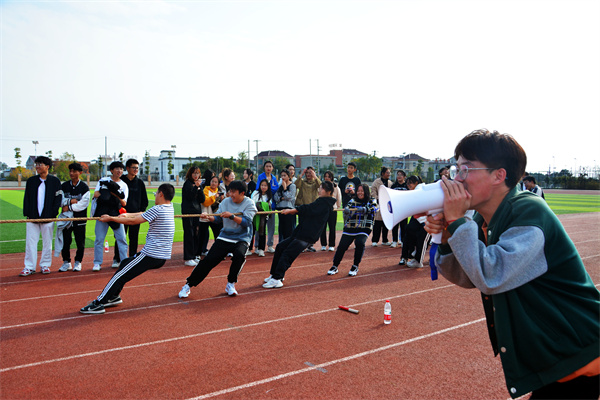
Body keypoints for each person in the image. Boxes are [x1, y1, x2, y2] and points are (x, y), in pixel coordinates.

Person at [424, 129, 599, 400]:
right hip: (555, 357)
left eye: (466, 169)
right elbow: (469, 276)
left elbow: (491, 275)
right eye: (456, 169)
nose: (457, 178)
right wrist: (448, 237)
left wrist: (458, 223)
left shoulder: (529, 211)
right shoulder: (483, 220)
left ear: (499, 175)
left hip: (581, 355)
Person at [80, 184, 176, 314]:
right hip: (160, 256)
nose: (155, 196)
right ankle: (114, 296)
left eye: (156, 193)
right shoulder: (169, 207)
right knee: (124, 263)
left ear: (161, 194)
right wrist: (126, 215)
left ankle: (99, 303)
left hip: (151, 254)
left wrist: (111, 218)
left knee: (119, 275)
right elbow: (142, 214)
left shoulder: (158, 209)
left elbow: (133, 222)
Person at [178, 180, 257, 298]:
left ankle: (231, 283)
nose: (231, 194)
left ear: (242, 193)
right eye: (230, 191)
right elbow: (218, 219)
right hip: (225, 237)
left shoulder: (249, 203)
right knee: (208, 261)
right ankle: (188, 285)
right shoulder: (225, 202)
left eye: (233, 192)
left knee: (239, 255)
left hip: (242, 238)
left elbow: (246, 222)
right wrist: (209, 217)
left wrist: (232, 216)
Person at [263, 181, 336, 289]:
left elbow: (308, 208)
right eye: (320, 188)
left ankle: (277, 279)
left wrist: (292, 211)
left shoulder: (325, 203)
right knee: (280, 247)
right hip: (301, 232)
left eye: (322, 188)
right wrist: (293, 211)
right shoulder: (322, 201)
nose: (319, 190)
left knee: (287, 254)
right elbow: (308, 209)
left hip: (307, 236)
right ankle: (274, 274)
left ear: (329, 192)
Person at [20, 156, 62, 276]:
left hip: (48, 218)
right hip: (32, 217)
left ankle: (45, 265)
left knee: (47, 243)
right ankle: (29, 266)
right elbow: (27, 198)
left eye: (40, 164)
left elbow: (58, 198)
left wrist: (53, 214)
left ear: (47, 166)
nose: (37, 167)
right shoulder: (31, 181)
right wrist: (28, 214)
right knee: (30, 243)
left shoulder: (55, 181)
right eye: (36, 164)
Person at [328, 183, 378, 277]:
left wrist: (365, 209)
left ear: (366, 192)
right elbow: (347, 209)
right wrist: (347, 212)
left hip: (364, 226)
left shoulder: (371, 200)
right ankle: (335, 266)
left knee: (360, 243)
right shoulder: (353, 200)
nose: (359, 193)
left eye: (362, 191)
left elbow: (375, 209)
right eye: (358, 191)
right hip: (351, 226)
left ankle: (355, 266)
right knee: (342, 246)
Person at [92, 161, 129, 271]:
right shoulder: (103, 180)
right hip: (102, 213)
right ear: (111, 170)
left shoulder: (123, 185)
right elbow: (96, 194)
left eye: (121, 169)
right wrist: (106, 192)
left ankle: (124, 262)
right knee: (99, 239)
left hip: (116, 215)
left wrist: (114, 193)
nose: (119, 171)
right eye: (117, 168)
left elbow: (124, 203)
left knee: (121, 239)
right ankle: (97, 263)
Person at [113, 159, 148, 266]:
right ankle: (117, 259)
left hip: (135, 215)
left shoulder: (140, 183)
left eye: (137, 168)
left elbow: (144, 199)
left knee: (134, 237)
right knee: (120, 237)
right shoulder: (121, 181)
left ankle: (132, 257)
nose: (136, 170)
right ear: (127, 168)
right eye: (134, 167)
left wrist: (141, 211)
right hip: (122, 214)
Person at [58, 162, 90, 272]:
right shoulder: (64, 186)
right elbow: (60, 201)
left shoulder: (84, 187)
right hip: (66, 219)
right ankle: (66, 262)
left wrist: (69, 207)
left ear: (80, 173)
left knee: (80, 242)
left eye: (74, 171)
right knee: (65, 242)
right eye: (70, 171)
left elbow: (83, 204)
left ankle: (78, 262)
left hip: (80, 219)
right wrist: (70, 201)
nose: (71, 173)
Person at [399, 175, 428, 268]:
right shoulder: (416, 190)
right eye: (407, 183)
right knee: (409, 230)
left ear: (416, 183)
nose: (408, 185)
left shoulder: (420, 189)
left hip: (425, 219)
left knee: (422, 239)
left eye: (410, 183)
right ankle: (407, 255)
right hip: (418, 217)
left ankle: (418, 260)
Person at [181, 166, 206, 266]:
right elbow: (190, 197)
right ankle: (188, 257)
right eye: (194, 173)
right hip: (188, 212)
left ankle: (194, 255)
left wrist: (199, 188)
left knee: (196, 234)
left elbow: (202, 199)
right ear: (190, 174)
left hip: (196, 212)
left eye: (198, 173)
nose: (196, 175)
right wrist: (196, 187)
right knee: (189, 234)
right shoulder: (187, 184)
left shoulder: (198, 184)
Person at [294, 166, 322, 252]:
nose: (308, 174)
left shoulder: (315, 182)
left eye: (310, 172)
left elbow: (320, 186)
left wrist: (315, 176)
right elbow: (295, 185)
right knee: (302, 227)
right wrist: (301, 175)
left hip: (313, 207)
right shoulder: (302, 182)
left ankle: (310, 245)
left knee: (312, 228)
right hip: (303, 207)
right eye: (307, 173)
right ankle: (301, 245)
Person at [256, 161, 279, 253]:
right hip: (261, 206)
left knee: (271, 227)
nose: (268, 168)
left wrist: (267, 188)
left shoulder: (274, 178)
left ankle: (270, 245)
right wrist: (269, 188)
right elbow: (258, 188)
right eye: (267, 166)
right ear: (264, 167)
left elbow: (276, 189)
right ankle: (257, 246)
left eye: (270, 166)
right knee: (259, 226)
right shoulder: (260, 176)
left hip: (271, 206)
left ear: (272, 168)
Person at [199, 175, 223, 257]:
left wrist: (221, 198)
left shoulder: (219, 192)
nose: (213, 183)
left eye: (216, 182)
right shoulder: (206, 190)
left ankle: (218, 250)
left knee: (218, 233)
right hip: (206, 215)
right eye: (212, 181)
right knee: (204, 234)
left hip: (215, 216)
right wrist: (214, 197)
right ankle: (203, 250)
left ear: (218, 184)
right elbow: (205, 202)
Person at [320, 170, 341, 251]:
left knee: (332, 227)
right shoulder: (322, 186)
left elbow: (338, 198)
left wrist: (337, 207)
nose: (327, 178)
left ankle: (331, 244)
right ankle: (323, 244)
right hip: (323, 209)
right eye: (325, 176)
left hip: (332, 209)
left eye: (329, 177)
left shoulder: (335, 187)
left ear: (332, 177)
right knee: (323, 227)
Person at [370, 167, 392, 247]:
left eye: (389, 173)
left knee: (386, 224)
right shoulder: (376, 182)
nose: (389, 174)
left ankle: (385, 240)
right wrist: (379, 200)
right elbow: (373, 192)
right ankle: (375, 240)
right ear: (382, 173)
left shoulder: (390, 183)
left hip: (387, 206)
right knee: (377, 224)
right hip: (379, 205)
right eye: (387, 173)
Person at [251, 179, 273, 257]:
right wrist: (260, 205)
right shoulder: (255, 193)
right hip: (255, 215)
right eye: (262, 185)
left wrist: (263, 206)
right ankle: (249, 248)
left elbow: (269, 205)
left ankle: (261, 249)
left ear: (268, 187)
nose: (263, 187)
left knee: (262, 232)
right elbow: (253, 202)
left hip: (263, 216)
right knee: (252, 232)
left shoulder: (268, 195)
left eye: (265, 185)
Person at [274, 169, 296, 241]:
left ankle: (289, 244)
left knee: (289, 229)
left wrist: (285, 188)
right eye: (282, 176)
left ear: (288, 176)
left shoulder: (292, 186)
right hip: (280, 209)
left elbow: (289, 197)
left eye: (284, 175)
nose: (283, 177)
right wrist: (282, 198)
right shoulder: (280, 186)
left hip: (289, 209)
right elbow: (276, 197)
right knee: (282, 229)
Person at [390, 170, 408, 248]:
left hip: (404, 208)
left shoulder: (407, 185)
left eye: (401, 175)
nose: (399, 176)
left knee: (404, 226)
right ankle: (395, 241)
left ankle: (403, 240)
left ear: (404, 177)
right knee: (395, 225)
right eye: (398, 175)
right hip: (395, 208)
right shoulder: (394, 186)